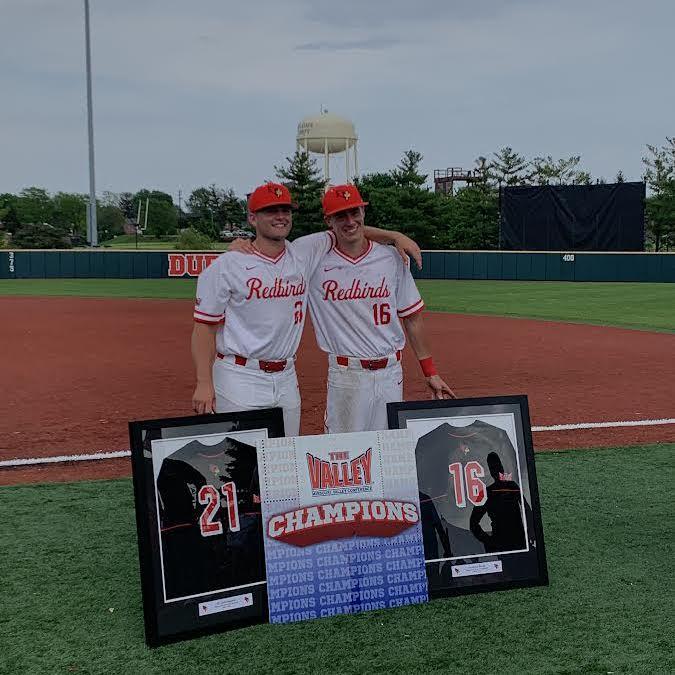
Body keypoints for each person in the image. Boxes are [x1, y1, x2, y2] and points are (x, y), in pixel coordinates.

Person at [191, 182, 420, 437]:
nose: (280, 216)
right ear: (252, 218)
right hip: (239, 376)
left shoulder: (305, 251)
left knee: (285, 455)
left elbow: (349, 227)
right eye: (271, 210)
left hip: (286, 378)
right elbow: (204, 327)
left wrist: (394, 236)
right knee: (242, 454)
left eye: (285, 210)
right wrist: (204, 383)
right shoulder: (227, 265)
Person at [308, 184, 455, 434]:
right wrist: (393, 234)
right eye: (340, 215)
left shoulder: (392, 258)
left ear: (363, 212)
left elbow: (412, 318)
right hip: (347, 375)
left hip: (391, 373)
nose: (350, 220)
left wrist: (430, 372)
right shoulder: (314, 262)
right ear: (328, 221)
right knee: (345, 451)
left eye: (354, 212)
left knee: (387, 447)